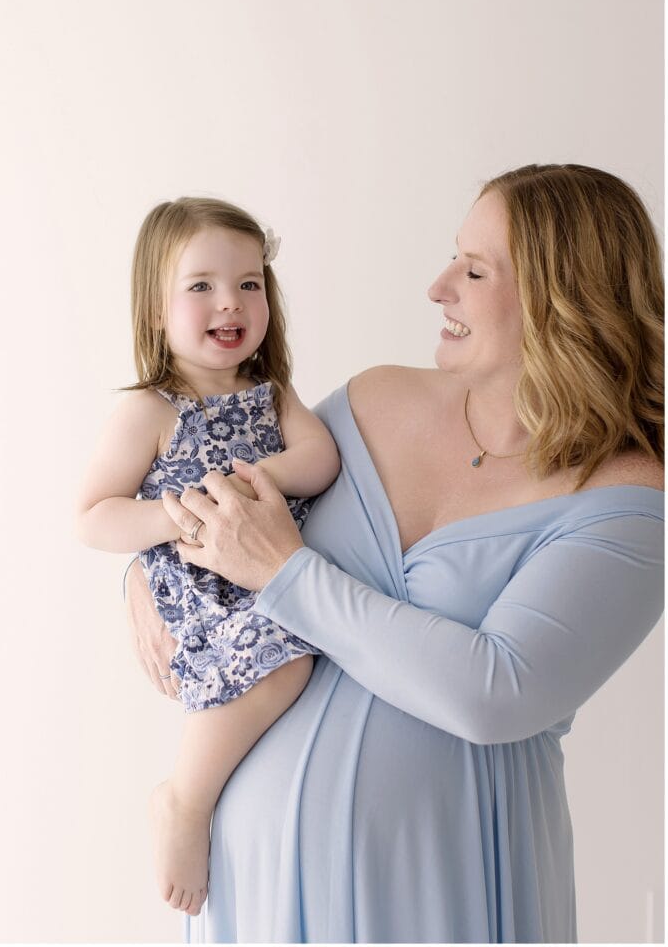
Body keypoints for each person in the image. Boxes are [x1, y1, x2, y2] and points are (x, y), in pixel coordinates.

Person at [126, 165, 664, 941]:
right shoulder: (371, 402)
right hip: (259, 880)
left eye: (475, 270)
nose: (439, 286)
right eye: (454, 255)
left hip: (444, 885)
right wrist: (140, 571)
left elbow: (495, 693)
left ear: (563, 299)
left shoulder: (629, 500)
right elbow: (217, 497)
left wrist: (286, 575)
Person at [76, 197, 340, 917]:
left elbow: (318, 459)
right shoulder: (149, 409)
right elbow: (93, 516)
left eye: (249, 283)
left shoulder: (270, 395)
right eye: (201, 286)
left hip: (267, 570)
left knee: (300, 658)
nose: (230, 302)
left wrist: (258, 479)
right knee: (285, 661)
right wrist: (170, 512)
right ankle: (184, 800)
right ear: (156, 310)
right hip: (203, 588)